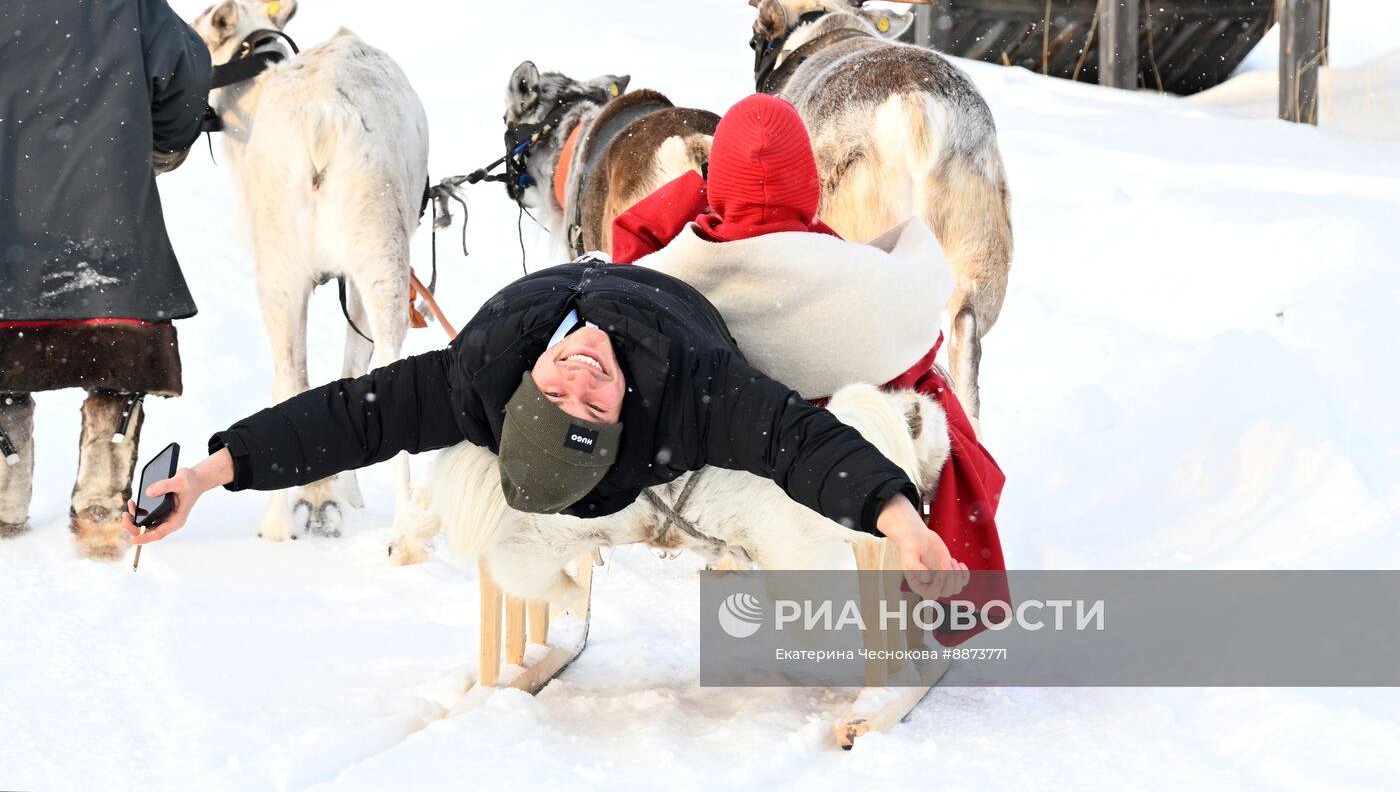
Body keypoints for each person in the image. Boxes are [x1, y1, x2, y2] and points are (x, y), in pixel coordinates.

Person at [122, 257, 970, 599]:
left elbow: (348, 419)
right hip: (672, 304)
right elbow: (796, 441)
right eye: (591, 395)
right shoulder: (693, 394)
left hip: (603, 274)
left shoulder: (479, 369)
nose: (585, 367)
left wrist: (208, 471)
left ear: (524, 387)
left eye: (564, 382)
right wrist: (898, 517)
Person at [612, 94, 1007, 577]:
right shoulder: (854, 279)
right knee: (933, 394)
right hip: (832, 468)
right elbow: (913, 348)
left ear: (717, 184)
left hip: (710, 473)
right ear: (808, 181)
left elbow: (625, 259)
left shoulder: (670, 276)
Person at [0, 0, 211, 558]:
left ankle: (2, 473)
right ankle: (103, 482)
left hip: (4, 252)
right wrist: (163, 145)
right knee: (116, 359)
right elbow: (189, 70)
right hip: (109, 248)